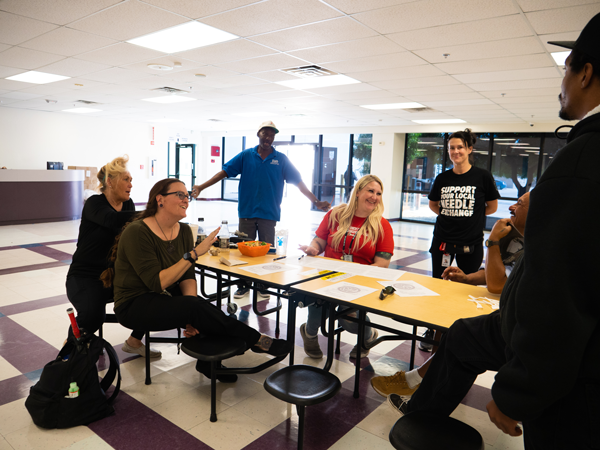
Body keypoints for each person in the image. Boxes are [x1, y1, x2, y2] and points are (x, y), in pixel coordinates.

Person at [389, 13, 600, 450]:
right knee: (464, 333)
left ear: (586, 72)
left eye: (565, 66)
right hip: (513, 318)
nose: (560, 79)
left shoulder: (581, 162)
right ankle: (419, 408)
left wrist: (517, 392)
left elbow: (558, 294)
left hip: (573, 365)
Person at [101, 178, 291, 382]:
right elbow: (157, 283)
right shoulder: (137, 231)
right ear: (160, 199)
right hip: (134, 304)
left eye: (187, 195)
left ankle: (210, 364)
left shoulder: (183, 230)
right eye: (180, 195)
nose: (186, 200)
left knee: (200, 310)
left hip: (162, 296)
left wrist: (190, 316)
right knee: (198, 308)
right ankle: (256, 339)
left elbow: (187, 276)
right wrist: (193, 254)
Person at [370, 192, 529, 398]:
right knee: (444, 321)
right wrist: (468, 278)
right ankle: (429, 380)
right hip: (501, 305)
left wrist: (492, 242)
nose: (511, 208)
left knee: (460, 331)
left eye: (519, 204)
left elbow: (497, 284)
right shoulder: (513, 234)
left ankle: (417, 382)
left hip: (515, 322)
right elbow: (497, 272)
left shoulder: (537, 244)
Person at [191, 120, 331, 299]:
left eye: (272, 135)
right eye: (265, 134)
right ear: (259, 134)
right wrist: (202, 187)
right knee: (243, 252)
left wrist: (316, 201)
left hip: (268, 214)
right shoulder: (246, 156)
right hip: (247, 212)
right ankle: (243, 285)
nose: (268, 138)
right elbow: (224, 172)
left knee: (267, 253)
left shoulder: (281, 159)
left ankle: (263, 286)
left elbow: (299, 182)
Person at [65, 155, 160, 357]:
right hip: (85, 276)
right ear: (110, 181)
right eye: (126, 179)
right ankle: (71, 349)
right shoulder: (94, 203)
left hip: (115, 275)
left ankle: (135, 341)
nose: (131, 184)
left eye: (131, 180)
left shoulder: (128, 205)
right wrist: (152, 212)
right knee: (92, 316)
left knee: (154, 291)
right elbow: (112, 220)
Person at [297, 175, 394, 359]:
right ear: (358, 192)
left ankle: (368, 335)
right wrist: (314, 248)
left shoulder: (382, 226)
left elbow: (382, 263)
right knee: (316, 308)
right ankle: (309, 334)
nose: (374, 197)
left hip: (358, 283)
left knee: (348, 320)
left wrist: (358, 278)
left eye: (379, 193)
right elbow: (320, 240)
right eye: (370, 191)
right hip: (327, 277)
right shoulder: (335, 214)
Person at [422, 129, 500, 351]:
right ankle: (433, 328)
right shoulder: (442, 178)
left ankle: (461, 332)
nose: (455, 151)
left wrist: (471, 217)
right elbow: (434, 204)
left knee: (467, 287)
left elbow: (492, 206)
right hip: (443, 241)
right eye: (451, 148)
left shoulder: (482, 176)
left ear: (469, 149)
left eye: (460, 147)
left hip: (471, 242)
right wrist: (453, 216)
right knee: (439, 285)